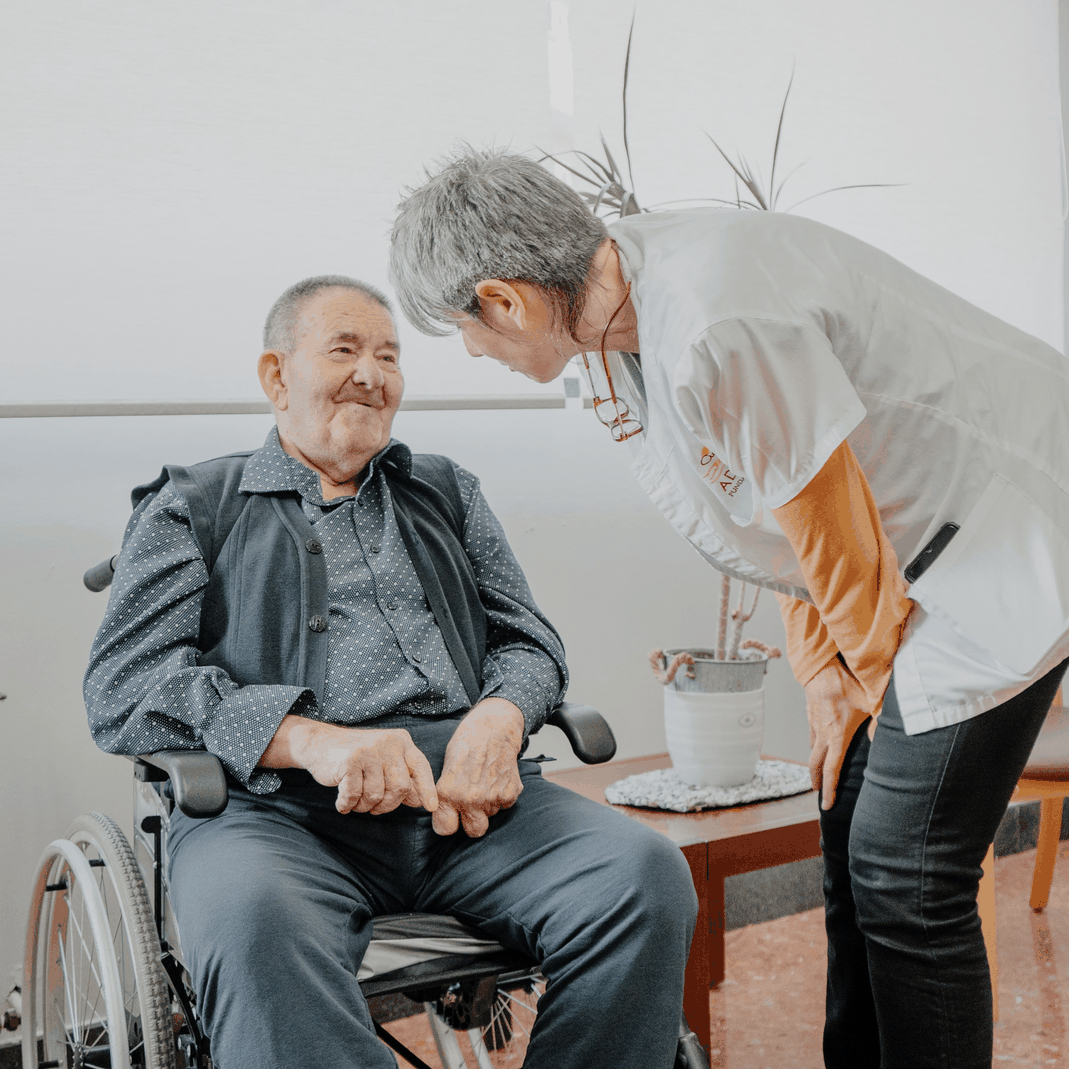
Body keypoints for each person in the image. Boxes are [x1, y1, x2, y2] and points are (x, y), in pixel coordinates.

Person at [388, 149, 1069, 1069]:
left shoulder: (711, 316)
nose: (475, 352)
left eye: (463, 330)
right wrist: (823, 680)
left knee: (909, 876)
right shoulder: (612, 324)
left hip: (1002, 529)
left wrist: (860, 674)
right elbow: (771, 520)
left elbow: (826, 517)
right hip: (901, 560)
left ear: (504, 300)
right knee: (848, 833)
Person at [83, 275, 698, 1069]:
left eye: (389, 355)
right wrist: (306, 739)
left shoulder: (444, 490)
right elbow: (125, 685)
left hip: (468, 802)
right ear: (276, 375)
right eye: (344, 350)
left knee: (643, 877)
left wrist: (501, 715)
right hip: (277, 813)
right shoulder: (195, 504)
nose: (372, 373)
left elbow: (529, 641)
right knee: (254, 923)